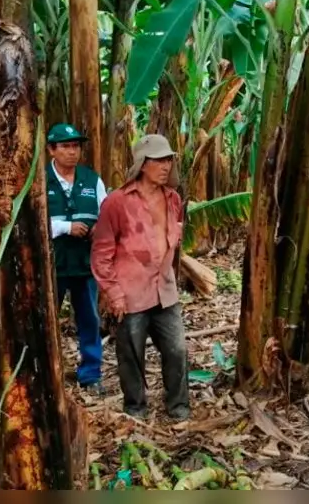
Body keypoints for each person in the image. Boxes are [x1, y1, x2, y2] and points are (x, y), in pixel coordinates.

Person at [90, 134, 189, 420]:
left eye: (168, 159)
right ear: (142, 164)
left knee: (177, 349)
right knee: (131, 355)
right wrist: (114, 293)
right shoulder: (117, 203)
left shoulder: (173, 199)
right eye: (159, 159)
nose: (165, 165)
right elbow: (101, 253)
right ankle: (135, 408)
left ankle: (178, 406)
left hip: (165, 290)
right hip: (131, 293)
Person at [46, 123, 107, 392]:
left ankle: (91, 374)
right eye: (66, 146)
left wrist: (98, 228)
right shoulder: (38, 179)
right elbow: (27, 223)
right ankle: (47, 373)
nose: (72, 152)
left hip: (84, 264)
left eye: (76, 146)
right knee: (46, 320)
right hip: (52, 265)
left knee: (89, 319)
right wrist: (64, 228)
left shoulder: (91, 180)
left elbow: (107, 212)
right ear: (52, 149)